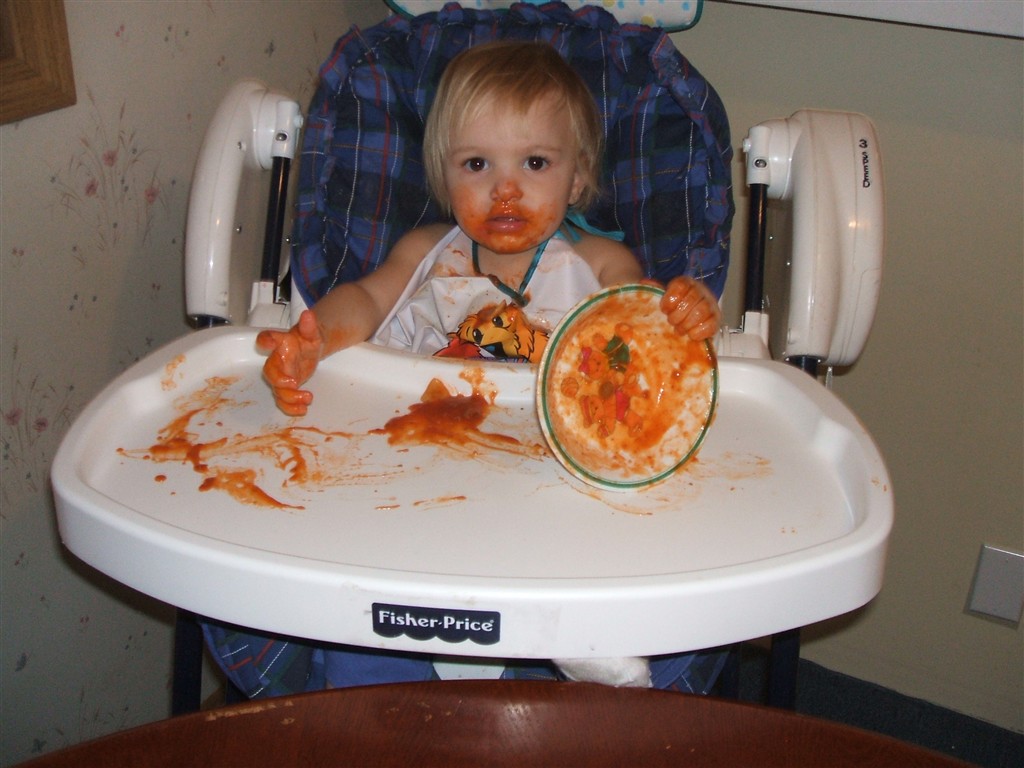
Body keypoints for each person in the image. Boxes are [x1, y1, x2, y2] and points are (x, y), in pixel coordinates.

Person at [204, 41, 725, 697]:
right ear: (445, 174)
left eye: (535, 162)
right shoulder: (426, 251)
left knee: (579, 525)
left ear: (577, 178)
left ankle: (576, 631)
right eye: (477, 164)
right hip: (424, 459)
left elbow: (642, 318)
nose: (505, 188)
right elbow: (363, 301)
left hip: (543, 466)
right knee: (366, 567)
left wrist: (685, 311)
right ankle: (368, 694)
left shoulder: (596, 263)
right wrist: (315, 340)